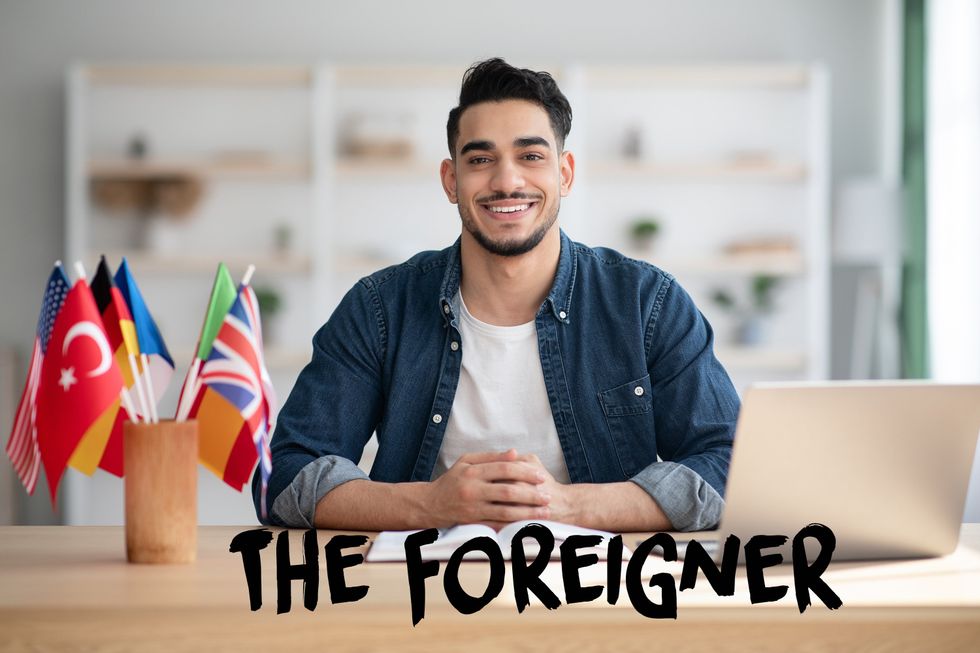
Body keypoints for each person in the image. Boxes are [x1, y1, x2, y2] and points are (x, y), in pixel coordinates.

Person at [254, 58, 739, 532]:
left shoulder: (646, 302)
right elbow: (289, 474)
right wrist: (431, 504)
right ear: (451, 180)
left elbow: (727, 463)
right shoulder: (379, 308)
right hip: (417, 595)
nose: (507, 181)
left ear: (565, 174)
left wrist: (566, 505)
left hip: (602, 592)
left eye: (531, 156)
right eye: (481, 159)